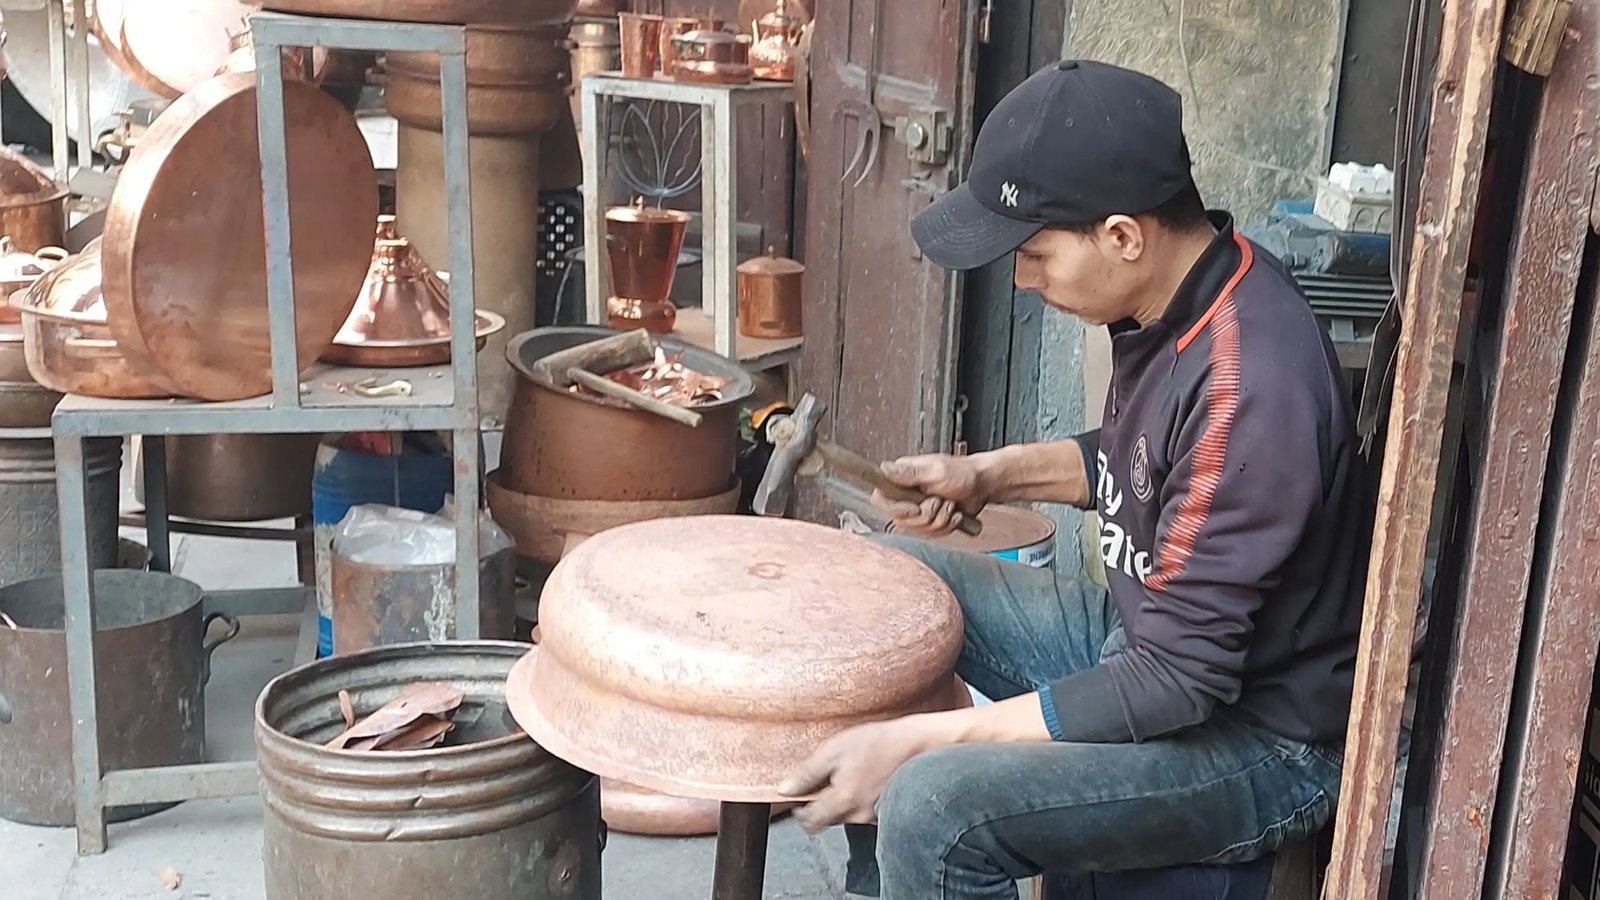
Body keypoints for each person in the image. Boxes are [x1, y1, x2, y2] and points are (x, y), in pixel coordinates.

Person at [775, 60, 1368, 899]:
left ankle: (913, 847)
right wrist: (987, 474)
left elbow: (1176, 683)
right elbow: (1134, 460)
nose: (1023, 279)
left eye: (1037, 254)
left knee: (933, 806)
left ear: (1123, 235)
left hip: (1255, 740)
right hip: (1145, 637)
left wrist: (924, 741)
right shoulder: (1182, 292)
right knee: (891, 580)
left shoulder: (1254, 386)